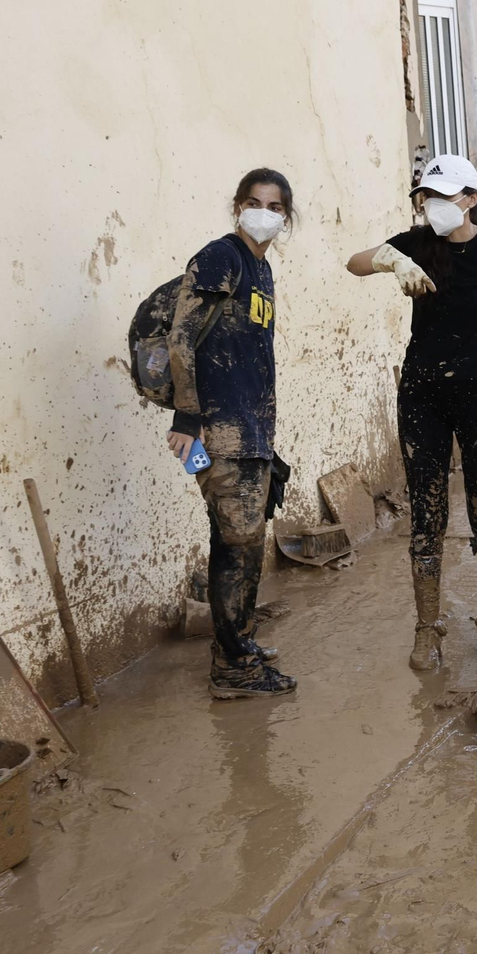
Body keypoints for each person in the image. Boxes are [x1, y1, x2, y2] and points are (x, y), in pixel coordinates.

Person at [346, 154, 477, 670]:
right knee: (427, 512)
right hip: (422, 395)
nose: (433, 206)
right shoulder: (416, 243)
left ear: (471, 199)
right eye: (426, 198)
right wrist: (392, 260)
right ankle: (426, 627)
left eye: (444, 197)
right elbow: (354, 262)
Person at [166, 168, 297, 699]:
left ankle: (237, 644)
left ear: (285, 217)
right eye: (253, 201)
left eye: (274, 205)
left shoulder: (261, 271)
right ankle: (234, 669)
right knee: (237, 545)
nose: (263, 212)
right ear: (237, 206)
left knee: (244, 542)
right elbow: (181, 337)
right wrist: (187, 419)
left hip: (252, 431)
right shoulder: (221, 256)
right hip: (217, 430)